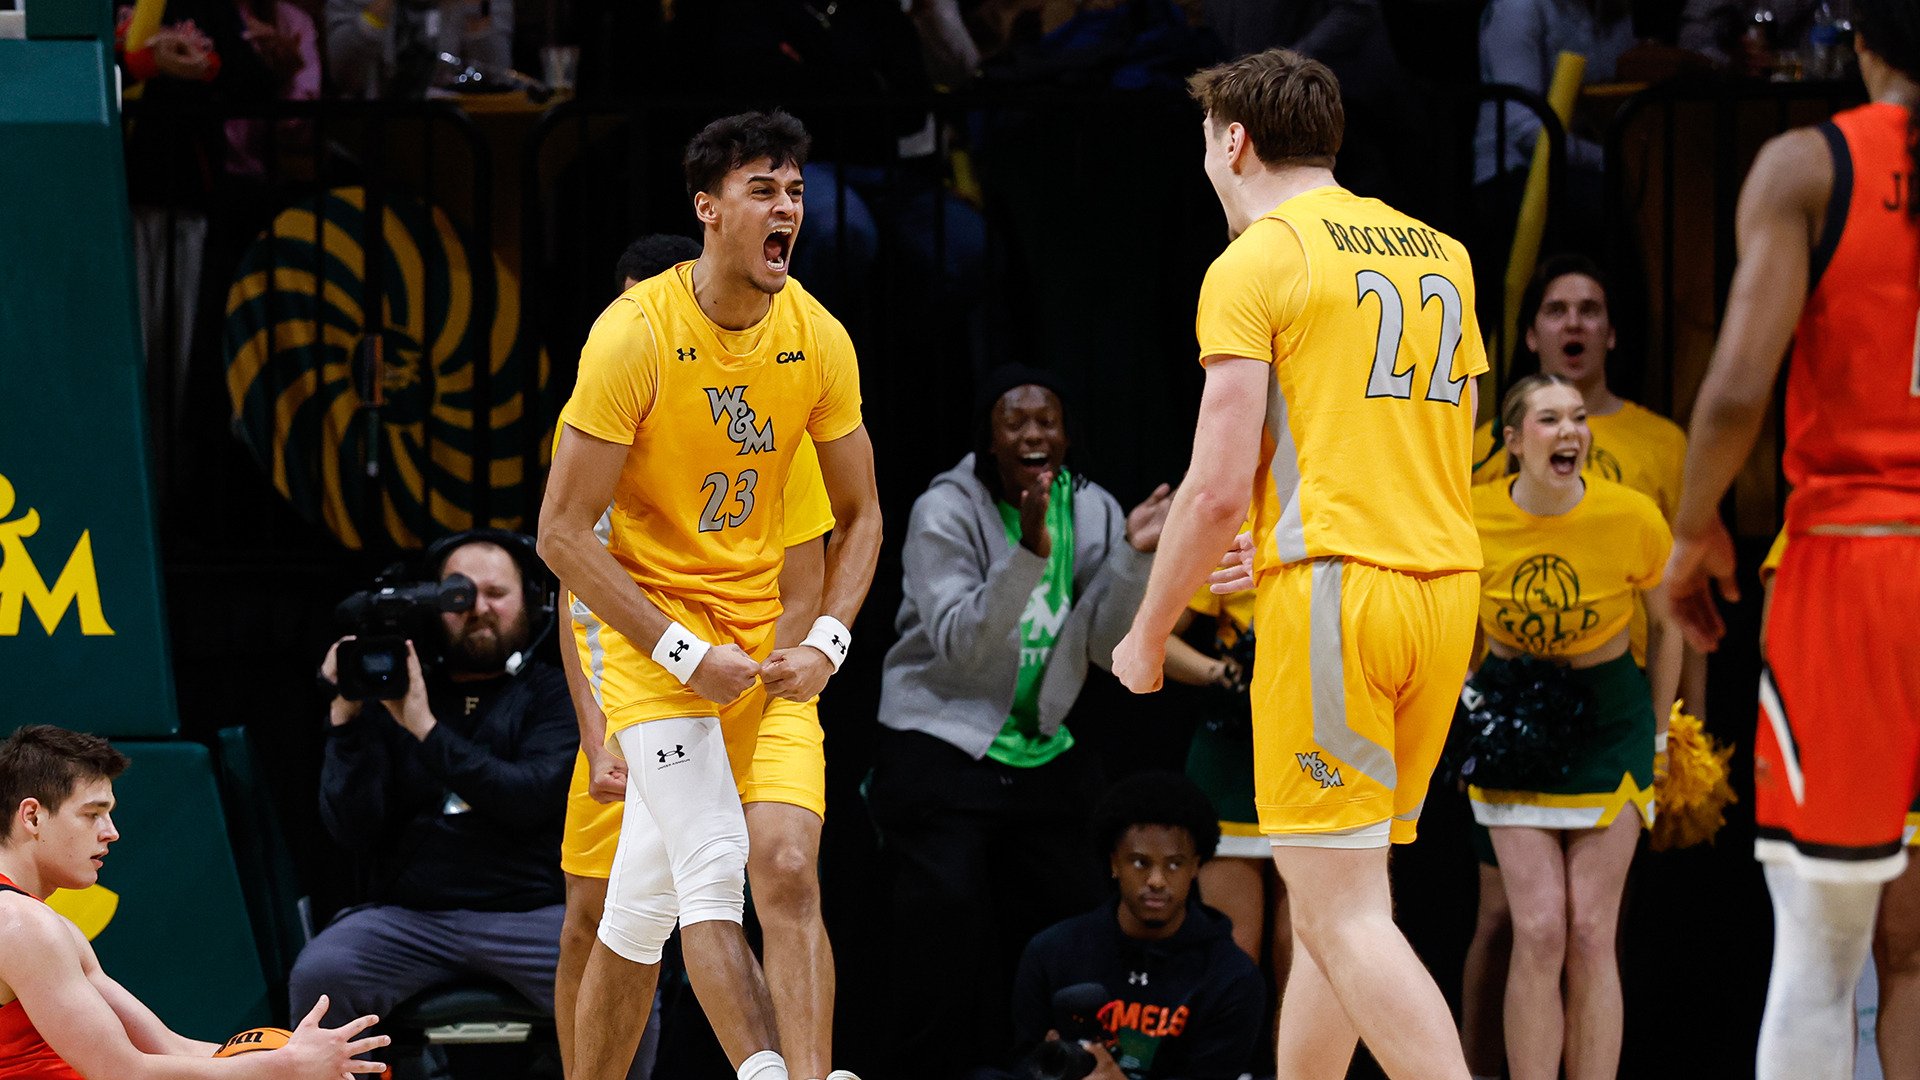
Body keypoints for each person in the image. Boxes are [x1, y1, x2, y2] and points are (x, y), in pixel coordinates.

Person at [1112, 47, 1487, 1080]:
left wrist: (1148, 635)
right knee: (1343, 904)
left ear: (1233, 142)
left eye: (1205, 145)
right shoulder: (1441, 255)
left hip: (1338, 594)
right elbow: (1437, 438)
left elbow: (1215, 482)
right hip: (1443, 588)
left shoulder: (1255, 261)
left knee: (1346, 914)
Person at [537, 110, 883, 1080]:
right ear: (708, 210)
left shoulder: (815, 340)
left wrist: (825, 644)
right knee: (703, 873)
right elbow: (560, 539)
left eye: (797, 191)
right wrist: (683, 655)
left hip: (760, 653)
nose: (789, 207)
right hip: (655, 656)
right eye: (764, 189)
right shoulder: (632, 339)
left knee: (737, 879)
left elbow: (858, 521)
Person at [1661, 3, 1920, 1076]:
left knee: (1822, 947)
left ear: (1860, 39)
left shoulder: (1811, 166)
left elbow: (1731, 396)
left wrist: (1690, 536)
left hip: (1861, 558)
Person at [869, 364, 1170, 1079]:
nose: (1034, 432)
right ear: (990, 439)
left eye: (1047, 420)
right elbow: (964, 650)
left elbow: (1104, 647)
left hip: (1039, 747)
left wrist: (1134, 556)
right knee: (947, 921)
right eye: (1016, 421)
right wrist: (1029, 552)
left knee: (1070, 922)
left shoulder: (1093, 508)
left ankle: (1052, 1067)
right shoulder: (945, 509)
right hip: (941, 738)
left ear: (1066, 434)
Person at [1459, 253, 1693, 1080]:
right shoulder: (1473, 514)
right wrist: (1462, 700)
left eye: (1577, 421)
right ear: (1514, 440)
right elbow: (1450, 622)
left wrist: (1662, 731)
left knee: (1593, 932)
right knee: (1541, 928)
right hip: (1511, 716)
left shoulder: (1632, 516)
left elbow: (1671, 624)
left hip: (1611, 716)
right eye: (1549, 421)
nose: (1569, 432)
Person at [291, 531, 578, 1070]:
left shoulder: (555, 692)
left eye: (497, 593)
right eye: (458, 595)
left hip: (534, 914)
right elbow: (351, 828)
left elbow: (529, 798)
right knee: (323, 973)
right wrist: (345, 722)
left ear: (534, 601)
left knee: (625, 970)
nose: (478, 609)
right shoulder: (393, 684)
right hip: (411, 918)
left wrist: (423, 728)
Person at [0, 724, 388, 1080]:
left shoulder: (46, 925)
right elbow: (120, 1072)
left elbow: (169, 1047)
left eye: (110, 815)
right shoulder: (23, 925)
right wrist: (283, 1065)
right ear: (32, 817)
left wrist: (291, 1057)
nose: (112, 833)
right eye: (92, 814)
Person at [999, 772, 1264, 1080]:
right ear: (1114, 864)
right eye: (1140, 862)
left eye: (1174, 864)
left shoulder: (1232, 976)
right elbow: (1020, 1060)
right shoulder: (1051, 951)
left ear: (1195, 867)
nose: (1156, 881)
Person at [1159, 581, 1293, 988]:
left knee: (1304, 953)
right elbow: (1155, 639)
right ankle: (1230, 1052)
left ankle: (1291, 1056)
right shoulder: (1229, 528)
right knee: (1235, 952)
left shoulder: (1349, 529)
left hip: (1314, 748)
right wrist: (1221, 673)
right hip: (1233, 753)